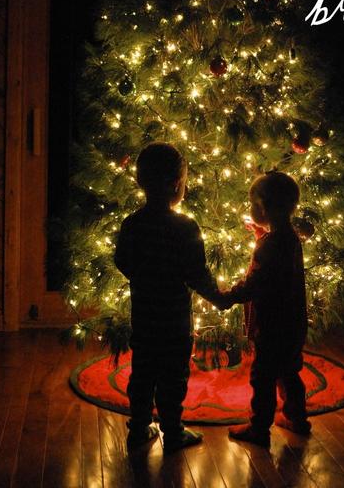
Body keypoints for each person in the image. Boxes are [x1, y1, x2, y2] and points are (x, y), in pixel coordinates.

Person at [114, 142, 221, 454]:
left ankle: (138, 427)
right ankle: (172, 431)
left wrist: (142, 275)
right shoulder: (185, 226)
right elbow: (196, 272)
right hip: (174, 318)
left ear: (140, 181)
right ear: (177, 183)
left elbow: (122, 260)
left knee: (143, 368)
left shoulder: (132, 223)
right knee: (173, 374)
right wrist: (218, 296)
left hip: (144, 314)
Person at [217, 171, 311, 446]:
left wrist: (226, 298)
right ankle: (297, 418)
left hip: (272, 325)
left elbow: (253, 283)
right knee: (289, 371)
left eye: (252, 204)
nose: (250, 209)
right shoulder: (289, 238)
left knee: (263, 376)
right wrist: (262, 234)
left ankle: (259, 428)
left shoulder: (271, 245)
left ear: (264, 208)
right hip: (293, 323)